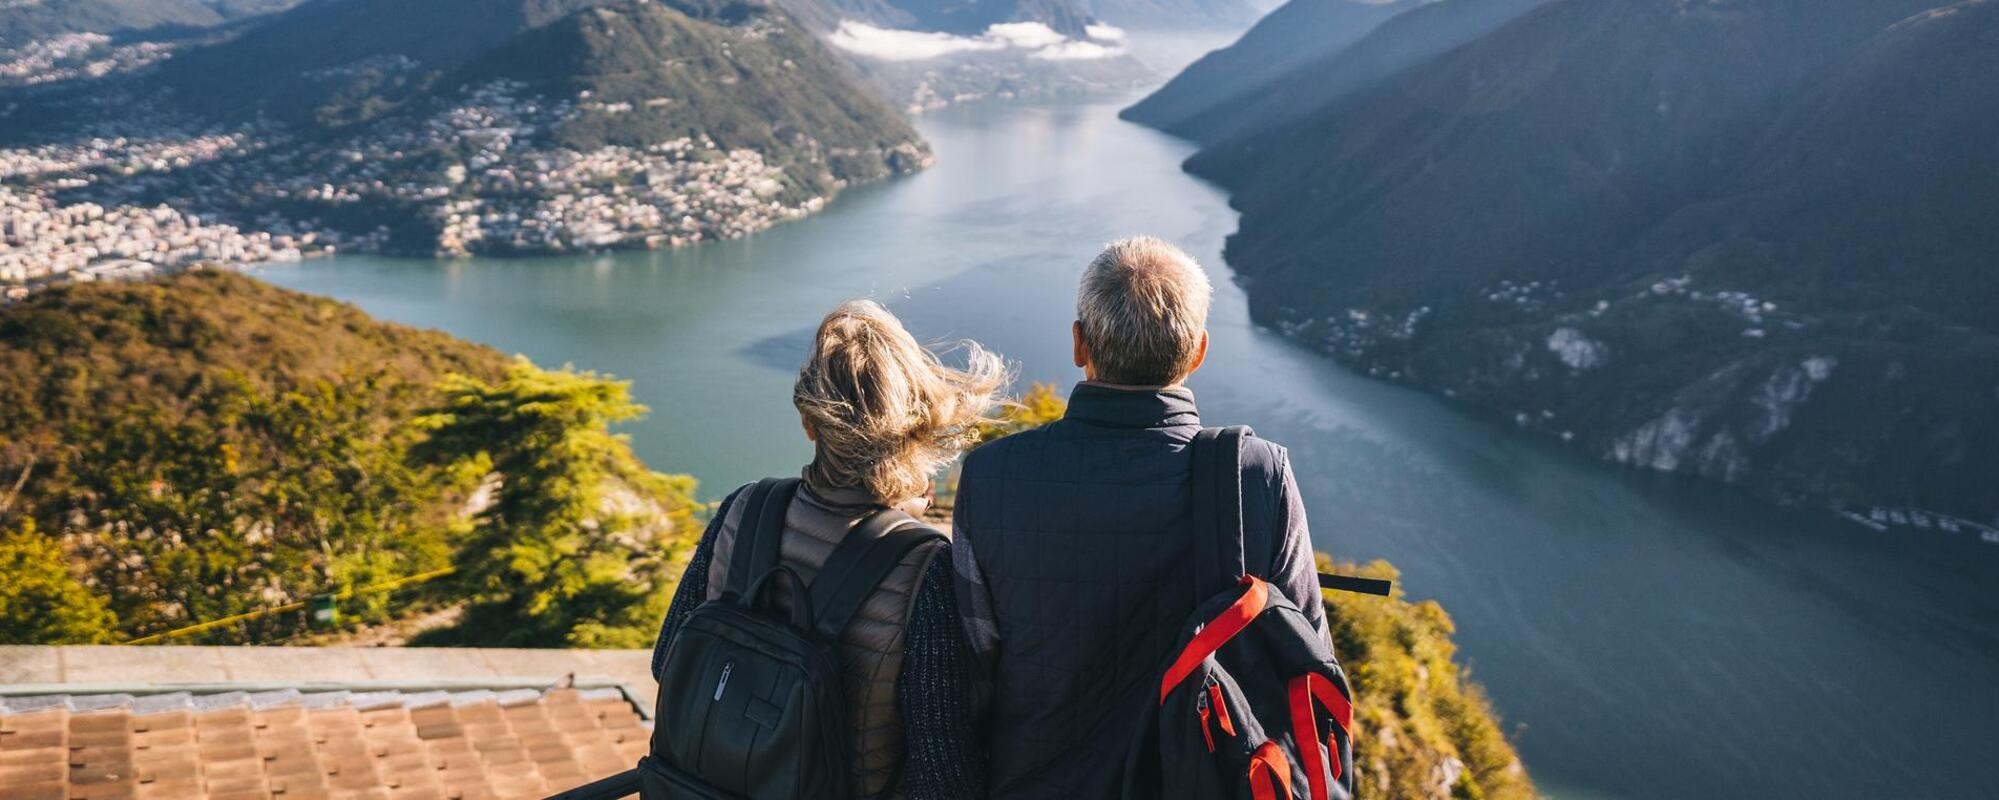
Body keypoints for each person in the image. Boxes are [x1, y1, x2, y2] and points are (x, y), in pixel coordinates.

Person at [952, 237, 1328, 799]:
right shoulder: (1257, 475)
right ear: (1198, 353)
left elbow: (974, 664)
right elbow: (1307, 655)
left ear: (1079, 343)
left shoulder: (992, 475)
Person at [652, 299, 1000, 799]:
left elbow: (668, 662)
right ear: (915, 427)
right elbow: (941, 772)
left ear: (809, 423)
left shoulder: (743, 509)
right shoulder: (924, 568)